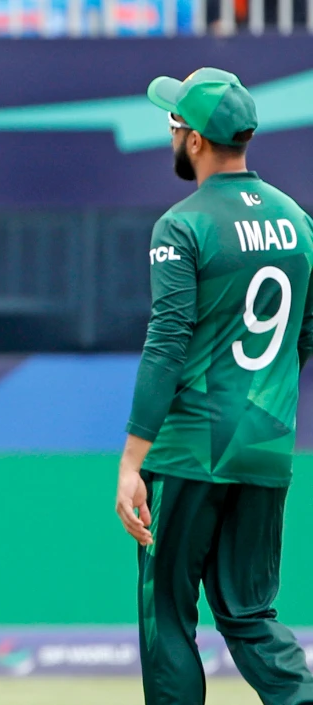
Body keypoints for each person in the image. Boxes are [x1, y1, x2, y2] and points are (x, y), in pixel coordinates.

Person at [116, 67, 313, 705]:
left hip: (191, 449)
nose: (170, 135)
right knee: (250, 615)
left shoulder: (183, 224)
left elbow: (166, 343)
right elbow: (306, 335)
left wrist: (132, 460)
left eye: (174, 124)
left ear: (195, 139)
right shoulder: (298, 221)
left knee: (167, 615)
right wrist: (262, 401)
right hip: (266, 443)